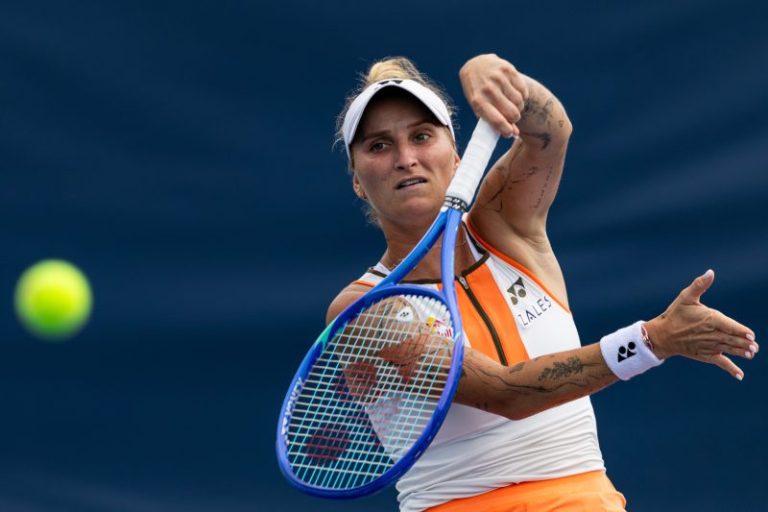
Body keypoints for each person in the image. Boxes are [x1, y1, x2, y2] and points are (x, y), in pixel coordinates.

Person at [326, 54, 758, 512]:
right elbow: (507, 394)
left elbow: (551, 130)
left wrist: (502, 78)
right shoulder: (363, 307)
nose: (406, 159)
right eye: (379, 146)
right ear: (357, 182)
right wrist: (651, 340)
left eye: (421, 136)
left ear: (455, 156)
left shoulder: (506, 226)